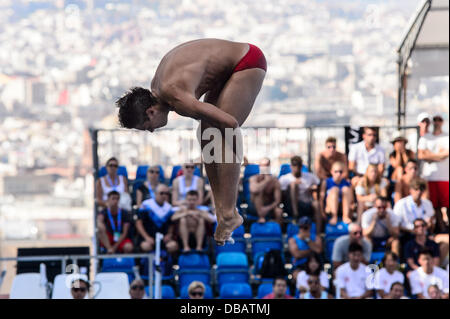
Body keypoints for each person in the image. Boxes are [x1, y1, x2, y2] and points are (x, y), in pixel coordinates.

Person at [116, 39, 267, 246]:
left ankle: (230, 212)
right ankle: (221, 209)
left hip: (247, 61)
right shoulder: (158, 89)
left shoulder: (176, 97)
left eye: (147, 127)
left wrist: (234, 152)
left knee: (221, 136)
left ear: (150, 112)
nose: (151, 131)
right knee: (205, 134)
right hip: (227, 71)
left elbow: (231, 124)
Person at [418, 113, 449, 238]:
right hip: (430, 177)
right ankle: (441, 228)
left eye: (439, 120)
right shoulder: (426, 137)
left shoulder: (446, 137)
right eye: (434, 120)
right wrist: (439, 156)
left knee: (446, 205)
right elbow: (421, 155)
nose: (437, 122)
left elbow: (446, 153)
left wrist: (430, 156)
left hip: (445, 177)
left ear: (442, 122)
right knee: (434, 206)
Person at [279, 155, 322, 230]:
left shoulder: (310, 176)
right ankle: (296, 216)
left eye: (298, 165)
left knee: (316, 204)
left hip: (306, 204)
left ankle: (318, 233)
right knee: (293, 185)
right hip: (290, 207)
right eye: (294, 165)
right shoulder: (284, 179)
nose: (296, 168)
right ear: (291, 166)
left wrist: (313, 188)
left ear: (301, 166)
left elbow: (320, 184)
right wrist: (291, 188)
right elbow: (281, 197)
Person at [136, 185, 178, 254]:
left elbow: (171, 224)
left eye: (166, 193)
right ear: (155, 193)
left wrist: (169, 234)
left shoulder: (169, 207)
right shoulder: (146, 205)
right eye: (161, 193)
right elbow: (138, 223)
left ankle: (167, 263)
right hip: (149, 238)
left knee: (173, 246)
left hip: (163, 239)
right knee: (145, 246)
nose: (164, 195)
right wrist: (146, 237)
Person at [249, 158, 283, 224]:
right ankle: (261, 216)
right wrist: (266, 181)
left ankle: (277, 231)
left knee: (279, 211)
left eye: (266, 165)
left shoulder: (275, 181)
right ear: (259, 166)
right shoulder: (253, 178)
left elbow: (277, 201)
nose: (264, 167)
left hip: (269, 207)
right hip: (254, 207)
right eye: (263, 165)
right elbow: (254, 189)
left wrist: (267, 208)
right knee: (258, 192)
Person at [288, 216, 323, 281]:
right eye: (301, 227)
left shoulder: (316, 238)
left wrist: (307, 240)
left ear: (310, 227)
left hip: (314, 265)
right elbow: (297, 254)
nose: (303, 229)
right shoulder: (293, 239)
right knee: (297, 276)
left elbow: (318, 250)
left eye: (305, 227)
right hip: (299, 265)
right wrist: (312, 251)